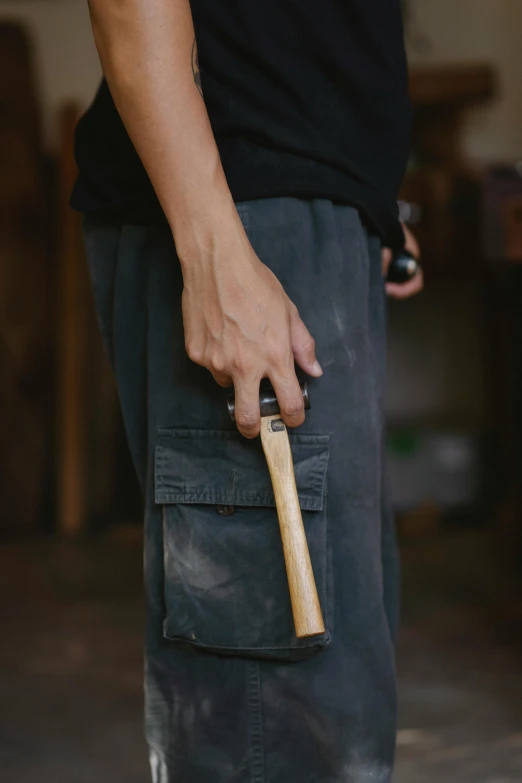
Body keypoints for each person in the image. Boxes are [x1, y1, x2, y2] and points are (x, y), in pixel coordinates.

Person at [73, 1, 423, 780]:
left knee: (337, 706)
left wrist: (369, 200)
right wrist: (214, 252)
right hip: (241, 219)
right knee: (278, 727)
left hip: (304, 215)